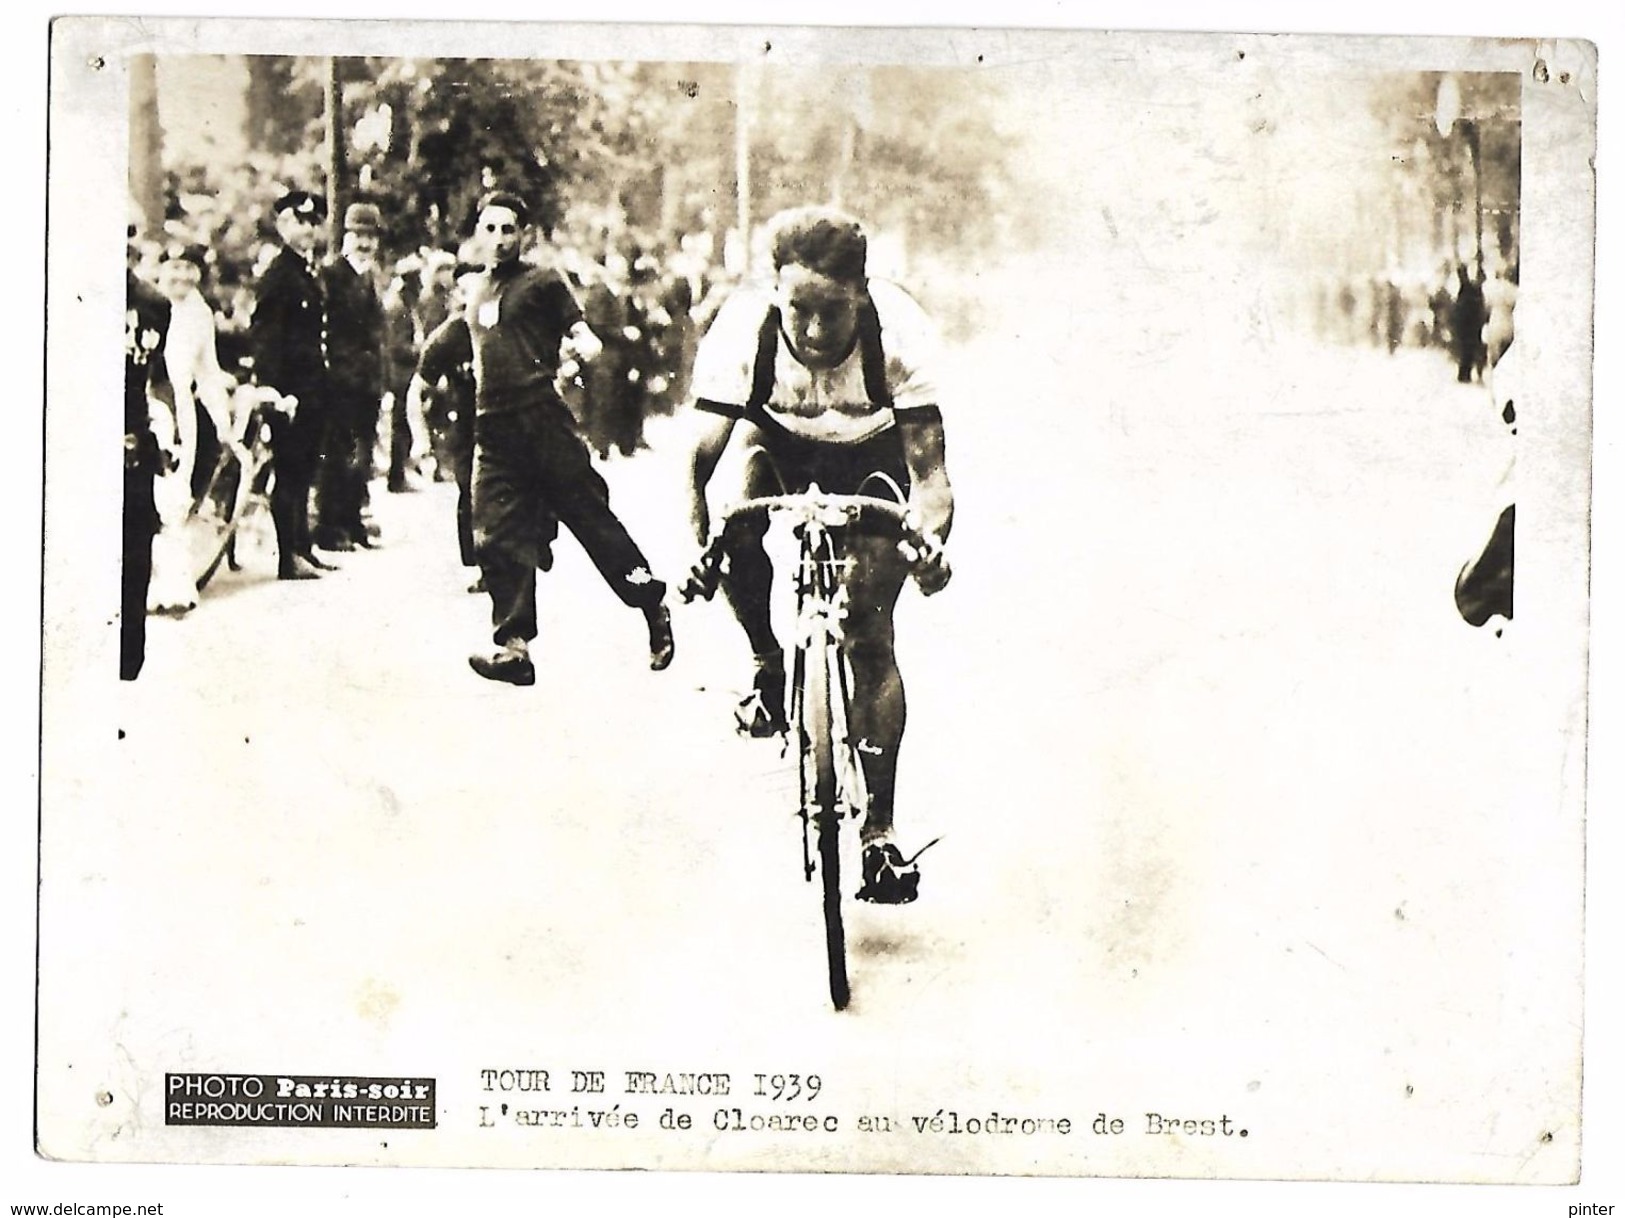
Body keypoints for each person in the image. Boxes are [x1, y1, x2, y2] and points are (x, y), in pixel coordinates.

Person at [685, 206, 953, 904]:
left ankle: (880, 835)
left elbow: (930, 481)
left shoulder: (899, 333)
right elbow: (697, 463)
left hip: (871, 456)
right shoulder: (743, 330)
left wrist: (926, 545)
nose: (809, 330)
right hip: (777, 443)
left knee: (869, 630)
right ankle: (767, 663)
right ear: (774, 292)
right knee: (736, 521)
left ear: (861, 294)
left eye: (830, 312)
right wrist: (699, 545)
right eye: (795, 309)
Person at [461, 191, 673, 685]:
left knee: (591, 520)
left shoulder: (544, 282)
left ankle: (651, 603)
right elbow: (471, 340)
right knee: (493, 532)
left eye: (507, 229)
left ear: (525, 234)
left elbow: (579, 330)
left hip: (541, 422)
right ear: (478, 234)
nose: (498, 239)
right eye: (489, 229)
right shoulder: (476, 290)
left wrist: (583, 344)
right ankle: (515, 648)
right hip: (492, 427)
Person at [146, 244, 242, 615]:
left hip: (182, 406)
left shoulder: (200, 313)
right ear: (161, 269)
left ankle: (171, 586)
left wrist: (221, 420)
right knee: (149, 493)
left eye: (189, 268)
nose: (181, 276)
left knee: (176, 495)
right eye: (174, 267)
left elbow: (208, 370)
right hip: (149, 402)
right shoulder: (148, 303)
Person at [251, 189, 333, 580]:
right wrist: (274, 392)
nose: (308, 230)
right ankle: (288, 556)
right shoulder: (277, 276)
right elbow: (267, 338)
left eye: (313, 222)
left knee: (304, 470)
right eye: (300, 222)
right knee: (289, 470)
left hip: (313, 388)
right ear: (282, 224)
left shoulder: (306, 271)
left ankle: (303, 546)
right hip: (290, 393)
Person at [316, 202, 387, 552]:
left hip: (368, 382)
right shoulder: (331, 274)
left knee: (362, 454)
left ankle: (352, 520)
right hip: (341, 380)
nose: (364, 243)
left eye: (370, 236)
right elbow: (327, 330)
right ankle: (331, 526)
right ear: (345, 236)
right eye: (358, 235)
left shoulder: (370, 276)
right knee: (337, 454)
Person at [123, 238, 171, 678]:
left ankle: (123, 670)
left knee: (135, 552)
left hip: (131, 443)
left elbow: (157, 377)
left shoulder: (153, 304)